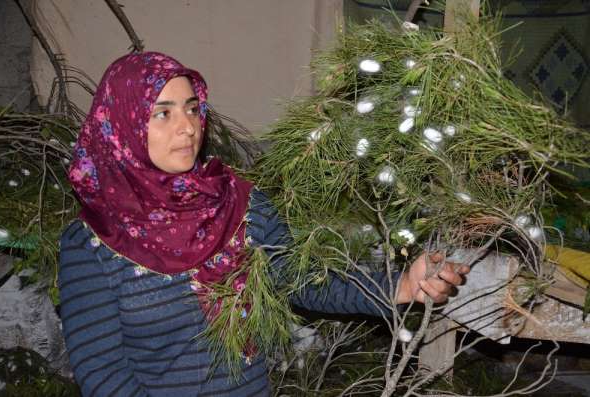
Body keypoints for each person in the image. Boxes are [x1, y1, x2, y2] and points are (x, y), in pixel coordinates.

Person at [59, 52, 469, 397]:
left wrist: (400, 284)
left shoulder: (239, 204)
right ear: (123, 127)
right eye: (162, 114)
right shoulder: (95, 243)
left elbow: (303, 279)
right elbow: (105, 376)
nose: (187, 126)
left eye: (191, 108)